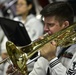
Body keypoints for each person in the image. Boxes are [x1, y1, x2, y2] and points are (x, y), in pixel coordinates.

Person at [6, 1, 76, 75]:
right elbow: (38, 73)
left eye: (50, 24)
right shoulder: (50, 44)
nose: (45, 29)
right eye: (44, 24)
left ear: (65, 25)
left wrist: (52, 58)